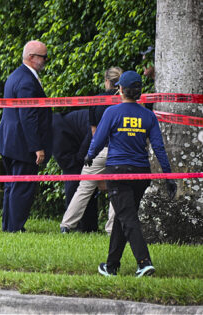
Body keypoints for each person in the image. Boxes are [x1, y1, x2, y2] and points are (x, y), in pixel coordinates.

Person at [85, 70, 177, 277]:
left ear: (120, 90)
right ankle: (111, 266)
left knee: (127, 218)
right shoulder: (148, 115)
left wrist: (89, 156)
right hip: (141, 174)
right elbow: (159, 148)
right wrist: (169, 177)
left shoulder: (112, 112)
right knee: (122, 217)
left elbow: (98, 140)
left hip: (118, 173)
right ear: (139, 92)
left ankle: (144, 263)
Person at [0, 40, 52, 232]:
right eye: (43, 57)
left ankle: (9, 225)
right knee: (22, 186)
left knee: (12, 185)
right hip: (22, 144)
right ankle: (16, 227)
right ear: (31, 57)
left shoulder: (16, 75)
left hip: (9, 141)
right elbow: (28, 116)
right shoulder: (27, 81)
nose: (46, 60)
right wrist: (37, 146)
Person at [60, 67, 122, 235]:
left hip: (100, 150)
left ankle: (67, 224)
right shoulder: (127, 101)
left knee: (84, 187)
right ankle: (111, 229)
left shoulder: (96, 100)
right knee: (116, 188)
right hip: (120, 152)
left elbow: (94, 133)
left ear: (107, 81)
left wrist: (91, 153)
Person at [52, 109, 98, 232]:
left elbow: (93, 133)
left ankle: (81, 225)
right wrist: (81, 157)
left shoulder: (55, 130)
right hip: (81, 149)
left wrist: (81, 157)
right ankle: (79, 225)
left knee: (81, 185)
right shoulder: (57, 129)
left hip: (83, 149)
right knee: (81, 185)